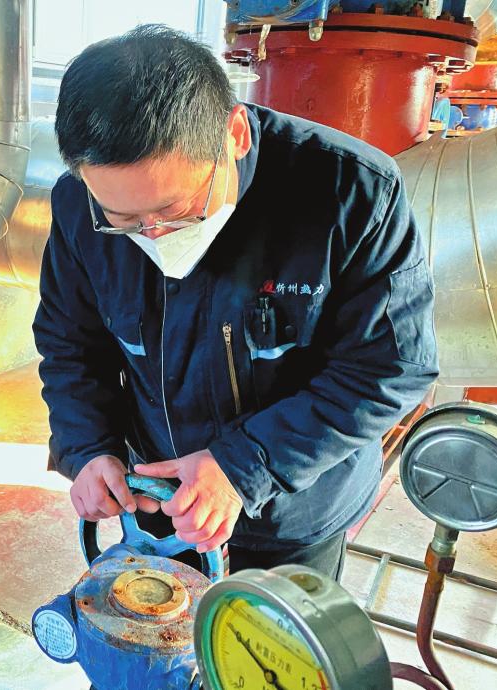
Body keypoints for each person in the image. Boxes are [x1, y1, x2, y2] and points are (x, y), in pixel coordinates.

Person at [33, 24, 438, 580]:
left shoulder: (351, 193)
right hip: (158, 499)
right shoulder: (79, 205)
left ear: (236, 134)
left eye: (176, 210)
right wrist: (88, 446)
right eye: (123, 220)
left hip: (294, 509)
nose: (153, 235)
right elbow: (70, 343)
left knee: (276, 637)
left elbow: (390, 370)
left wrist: (244, 465)